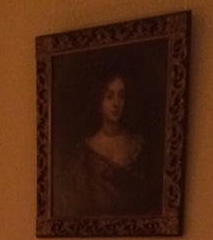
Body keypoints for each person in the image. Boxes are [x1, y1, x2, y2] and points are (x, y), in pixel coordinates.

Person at [56, 71, 158, 219]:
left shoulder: (138, 145)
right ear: (99, 102)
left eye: (121, 96)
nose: (116, 103)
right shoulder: (85, 153)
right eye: (109, 97)